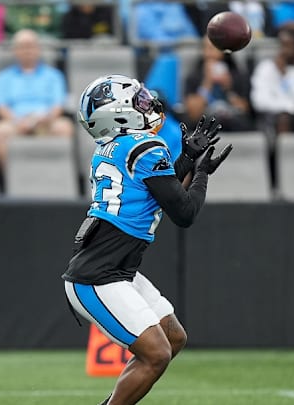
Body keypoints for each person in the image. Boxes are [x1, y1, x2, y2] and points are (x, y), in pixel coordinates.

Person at [63, 74, 232, 405]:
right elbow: (183, 212)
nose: (148, 104)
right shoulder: (143, 146)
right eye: (137, 101)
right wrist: (201, 173)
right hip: (98, 276)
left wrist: (185, 159)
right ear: (118, 113)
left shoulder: (113, 148)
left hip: (116, 269)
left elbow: (158, 189)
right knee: (156, 354)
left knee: (172, 337)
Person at [0, 29, 74, 168]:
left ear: (38, 49)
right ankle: (9, 178)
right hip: (15, 122)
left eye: (31, 46)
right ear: (15, 51)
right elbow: (0, 105)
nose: (27, 51)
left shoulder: (54, 75)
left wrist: (45, 120)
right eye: (22, 47)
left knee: (64, 127)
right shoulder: (3, 77)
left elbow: (58, 104)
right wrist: (18, 122)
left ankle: (58, 173)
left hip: (46, 121)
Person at [184, 36, 253, 132]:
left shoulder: (237, 75)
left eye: (212, 48)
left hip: (232, 123)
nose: (208, 53)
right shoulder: (194, 76)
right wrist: (207, 84)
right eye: (205, 48)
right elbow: (193, 115)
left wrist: (228, 89)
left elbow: (244, 111)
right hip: (205, 123)